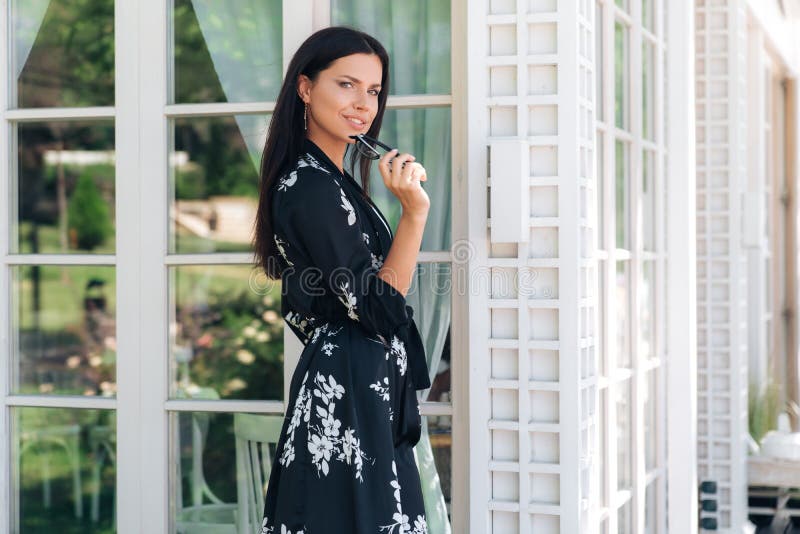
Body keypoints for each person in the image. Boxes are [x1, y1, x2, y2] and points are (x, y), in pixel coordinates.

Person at [252, 26, 432, 534]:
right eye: (346, 85)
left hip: (359, 386)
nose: (363, 104)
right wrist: (414, 215)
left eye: (373, 91)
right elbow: (376, 307)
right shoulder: (309, 185)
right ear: (305, 88)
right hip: (349, 393)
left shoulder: (330, 179)